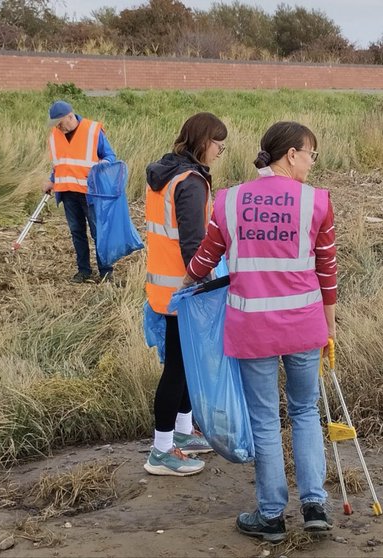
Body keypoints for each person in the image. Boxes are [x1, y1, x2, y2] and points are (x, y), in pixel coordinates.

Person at [184, 121, 338, 542]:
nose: (311, 163)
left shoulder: (230, 202)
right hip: (304, 326)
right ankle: (314, 507)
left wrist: (185, 285)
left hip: (253, 329)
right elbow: (327, 270)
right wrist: (330, 325)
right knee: (306, 412)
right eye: (311, 154)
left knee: (266, 421)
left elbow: (203, 261)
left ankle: (271, 516)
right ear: (292, 154)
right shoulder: (317, 203)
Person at [141, 112, 226, 476]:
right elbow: (194, 246)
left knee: (185, 366)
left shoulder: (166, 174)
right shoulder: (190, 183)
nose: (221, 152)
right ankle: (161, 450)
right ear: (204, 142)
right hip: (183, 291)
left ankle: (182, 432)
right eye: (219, 144)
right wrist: (207, 284)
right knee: (177, 369)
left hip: (164, 287)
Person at [43, 100, 116, 283]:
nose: (59, 127)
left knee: (98, 232)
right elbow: (60, 163)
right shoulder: (54, 135)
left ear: (70, 116)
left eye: (61, 123)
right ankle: (84, 271)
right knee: (77, 233)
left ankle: (106, 272)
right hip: (67, 192)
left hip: (90, 193)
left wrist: (100, 168)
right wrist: (52, 181)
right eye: (56, 124)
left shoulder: (92, 131)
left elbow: (110, 156)